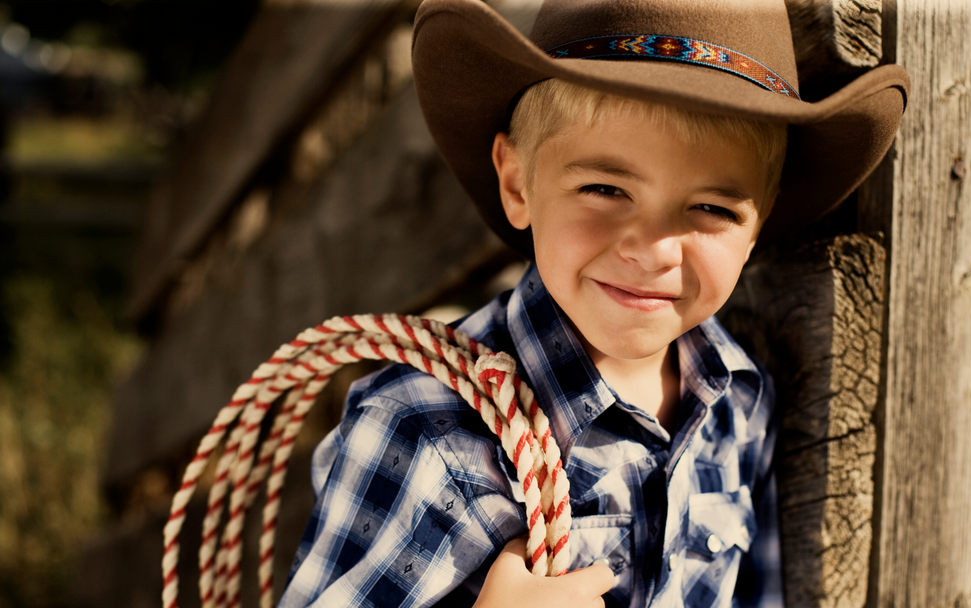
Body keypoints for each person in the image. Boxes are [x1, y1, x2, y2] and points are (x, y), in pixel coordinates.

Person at [279, 0, 909, 607]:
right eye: (605, 187)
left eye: (714, 208)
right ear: (517, 182)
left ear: (757, 224)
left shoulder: (740, 404)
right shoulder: (425, 429)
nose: (655, 250)